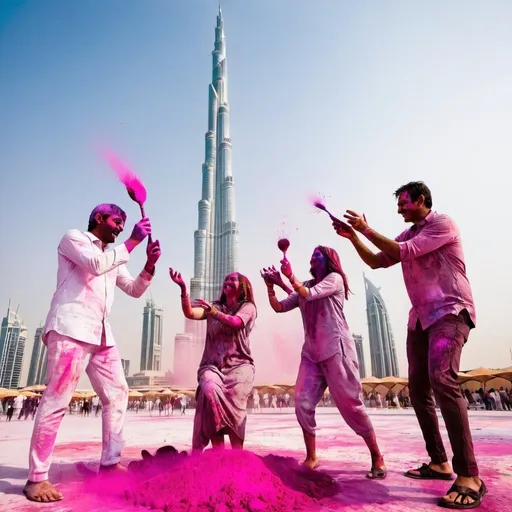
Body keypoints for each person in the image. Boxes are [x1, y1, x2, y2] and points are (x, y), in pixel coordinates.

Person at [333, 181, 486, 509]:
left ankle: (469, 475)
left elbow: (403, 252)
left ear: (420, 200)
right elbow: (378, 260)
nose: (399, 209)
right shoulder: (410, 232)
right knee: (417, 388)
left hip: (449, 311)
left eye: (403, 203)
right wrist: (354, 237)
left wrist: (367, 227)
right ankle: (439, 462)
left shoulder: (442, 224)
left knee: (442, 380)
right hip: (420, 320)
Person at [24, 204, 160, 503]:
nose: (121, 227)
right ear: (98, 218)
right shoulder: (74, 239)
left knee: (118, 393)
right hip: (71, 326)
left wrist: (149, 265)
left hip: (100, 333)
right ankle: (37, 478)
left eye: (124, 223)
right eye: (116, 221)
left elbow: (134, 289)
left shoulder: (114, 256)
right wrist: (134, 242)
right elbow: (96, 264)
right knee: (57, 399)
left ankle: (110, 464)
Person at [261, 247, 386, 478]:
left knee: (351, 406)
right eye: (311, 254)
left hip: (335, 350)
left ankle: (376, 454)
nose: (312, 256)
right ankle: (312, 456)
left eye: (317, 254)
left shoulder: (335, 279)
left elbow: (310, 294)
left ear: (329, 259)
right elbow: (280, 306)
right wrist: (272, 286)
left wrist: (287, 277)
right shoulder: (305, 286)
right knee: (302, 402)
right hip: (311, 354)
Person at [169, 269, 257, 452]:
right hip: (213, 366)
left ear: (243, 287)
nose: (228, 281)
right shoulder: (213, 306)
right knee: (209, 390)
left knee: (236, 401)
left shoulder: (248, 307)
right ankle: (217, 451)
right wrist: (183, 290)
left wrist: (214, 313)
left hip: (240, 366)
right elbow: (190, 313)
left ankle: (237, 453)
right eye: (226, 278)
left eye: (233, 279)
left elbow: (236, 322)